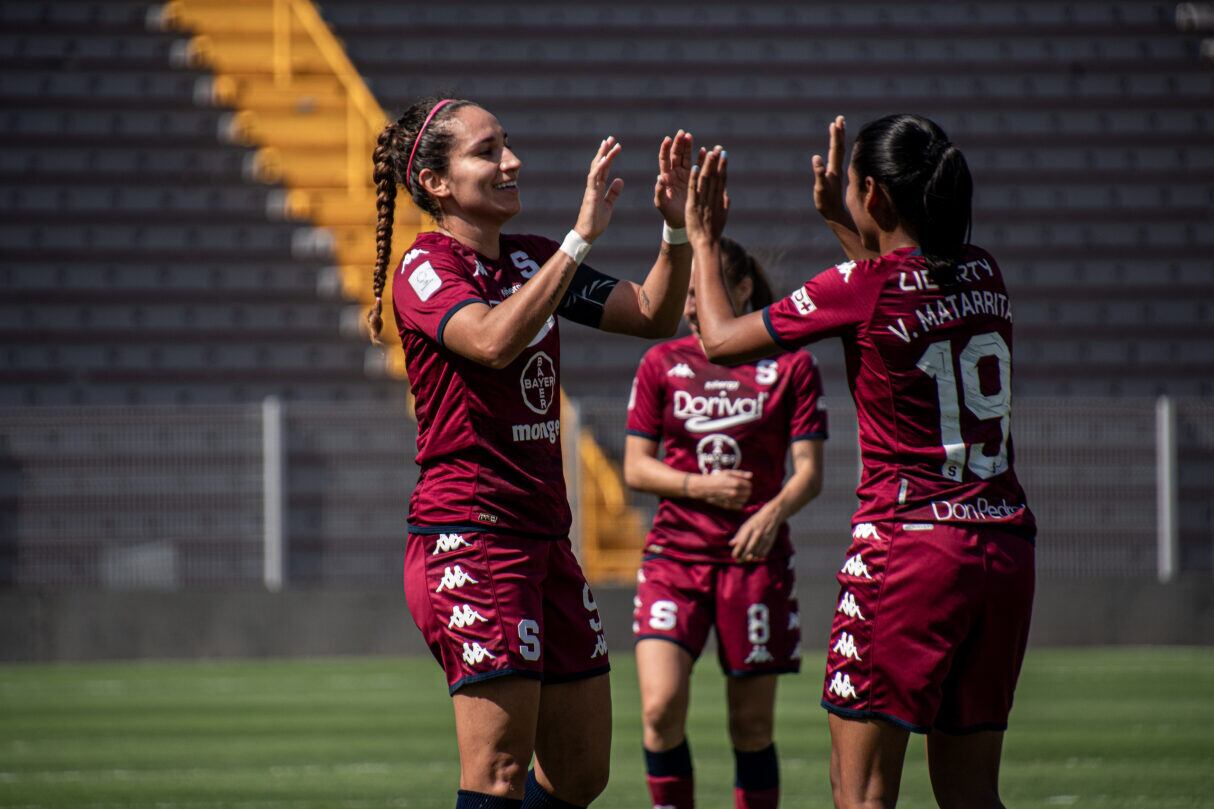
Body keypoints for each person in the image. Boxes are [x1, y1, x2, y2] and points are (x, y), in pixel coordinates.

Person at [684, 116, 1036, 809]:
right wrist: (836, 218)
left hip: (911, 553)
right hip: (1003, 546)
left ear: (873, 196)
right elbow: (896, 294)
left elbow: (722, 341)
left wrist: (700, 237)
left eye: (849, 186)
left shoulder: (861, 285)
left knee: (861, 793)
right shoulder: (984, 270)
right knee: (972, 794)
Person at [369, 96, 697, 809]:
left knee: (582, 772)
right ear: (437, 183)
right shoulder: (424, 269)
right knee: (498, 772)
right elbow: (490, 341)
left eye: (507, 144)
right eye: (487, 151)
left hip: (546, 536)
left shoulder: (532, 257)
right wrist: (581, 238)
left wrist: (676, 227)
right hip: (470, 537)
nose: (511, 161)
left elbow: (653, 314)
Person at [622, 236, 827, 809]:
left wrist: (772, 512)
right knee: (660, 711)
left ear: (739, 289)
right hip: (674, 560)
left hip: (753, 563)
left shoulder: (791, 364)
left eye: (699, 292)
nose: (689, 306)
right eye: (684, 294)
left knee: (752, 728)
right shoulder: (661, 363)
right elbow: (636, 468)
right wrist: (698, 486)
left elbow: (808, 473)